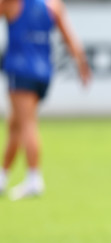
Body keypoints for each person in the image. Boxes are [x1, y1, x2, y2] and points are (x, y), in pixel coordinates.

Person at [0, 0, 91, 200]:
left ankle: (34, 179)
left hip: (20, 69)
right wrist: (82, 65)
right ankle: (3, 177)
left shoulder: (12, 3)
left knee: (26, 124)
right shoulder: (53, 5)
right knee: (15, 124)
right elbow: (69, 38)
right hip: (43, 73)